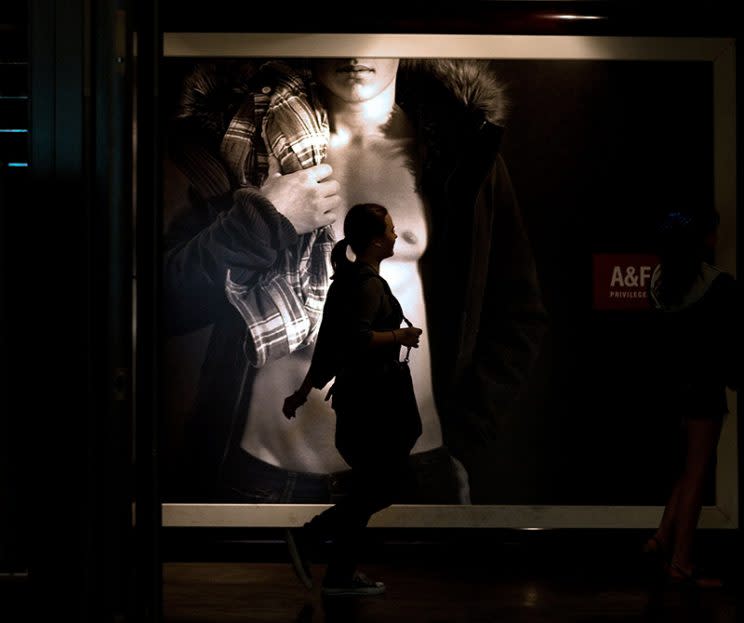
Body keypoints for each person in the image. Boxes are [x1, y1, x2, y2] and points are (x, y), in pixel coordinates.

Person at [162, 57, 547, 505]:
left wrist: (464, 439)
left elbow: (517, 315)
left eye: (375, 26)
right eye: (337, 23)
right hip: (263, 475)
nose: (354, 50)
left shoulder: (458, 152)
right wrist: (262, 222)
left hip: (410, 472)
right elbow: (170, 301)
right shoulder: (244, 145)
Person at [282, 202, 422, 595]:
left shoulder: (346, 280)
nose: (396, 235)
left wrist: (301, 392)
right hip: (374, 405)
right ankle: (310, 536)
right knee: (382, 488)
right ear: (377, 241)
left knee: (367, 490)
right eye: (390, 230)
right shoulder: (366, 284)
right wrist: (400, 336)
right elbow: (354, 340)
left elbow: (328, 345)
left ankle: (341, 575)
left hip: (360, 404)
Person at [642, 209, 740, 588]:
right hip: (703, 393)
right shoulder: (722, 288)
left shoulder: (659, 284)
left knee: (683, 472)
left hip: (667, 393)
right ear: (706, 239)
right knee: (697, 475)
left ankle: (660, 539)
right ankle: (681, 562)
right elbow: (730, 348)